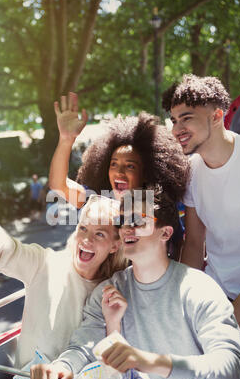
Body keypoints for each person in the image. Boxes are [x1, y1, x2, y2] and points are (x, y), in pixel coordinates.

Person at [29, 187, 240, 379]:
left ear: (165, 232)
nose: (126, 229)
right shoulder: (108, 290)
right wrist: (62, 367)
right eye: (122, 222)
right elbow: (83, 346)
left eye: (137, 221)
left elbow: (234, 370)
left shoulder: (199, 289)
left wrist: (148, 361)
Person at [0, 157, 127, 369]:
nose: (87, 240)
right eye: (83, 228)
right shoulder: (46, 264)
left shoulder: (115, 289)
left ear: (115, 246)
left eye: (99, 234)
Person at [49, 92, 190, 259]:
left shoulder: (158, 209)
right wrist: (66, 140)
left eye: (130, 166)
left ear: (146, 173)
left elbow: (179, 246)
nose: (119, 172)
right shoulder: (98, 201)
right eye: (113, 164)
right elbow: (59, 185)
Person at [162, 74, 240, 329]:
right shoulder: (191, 171)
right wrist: (185, 298)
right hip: (217, 295)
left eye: (187, 118)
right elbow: (194, 244)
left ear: (216, 116)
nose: (177, 129)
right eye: (174, 121)